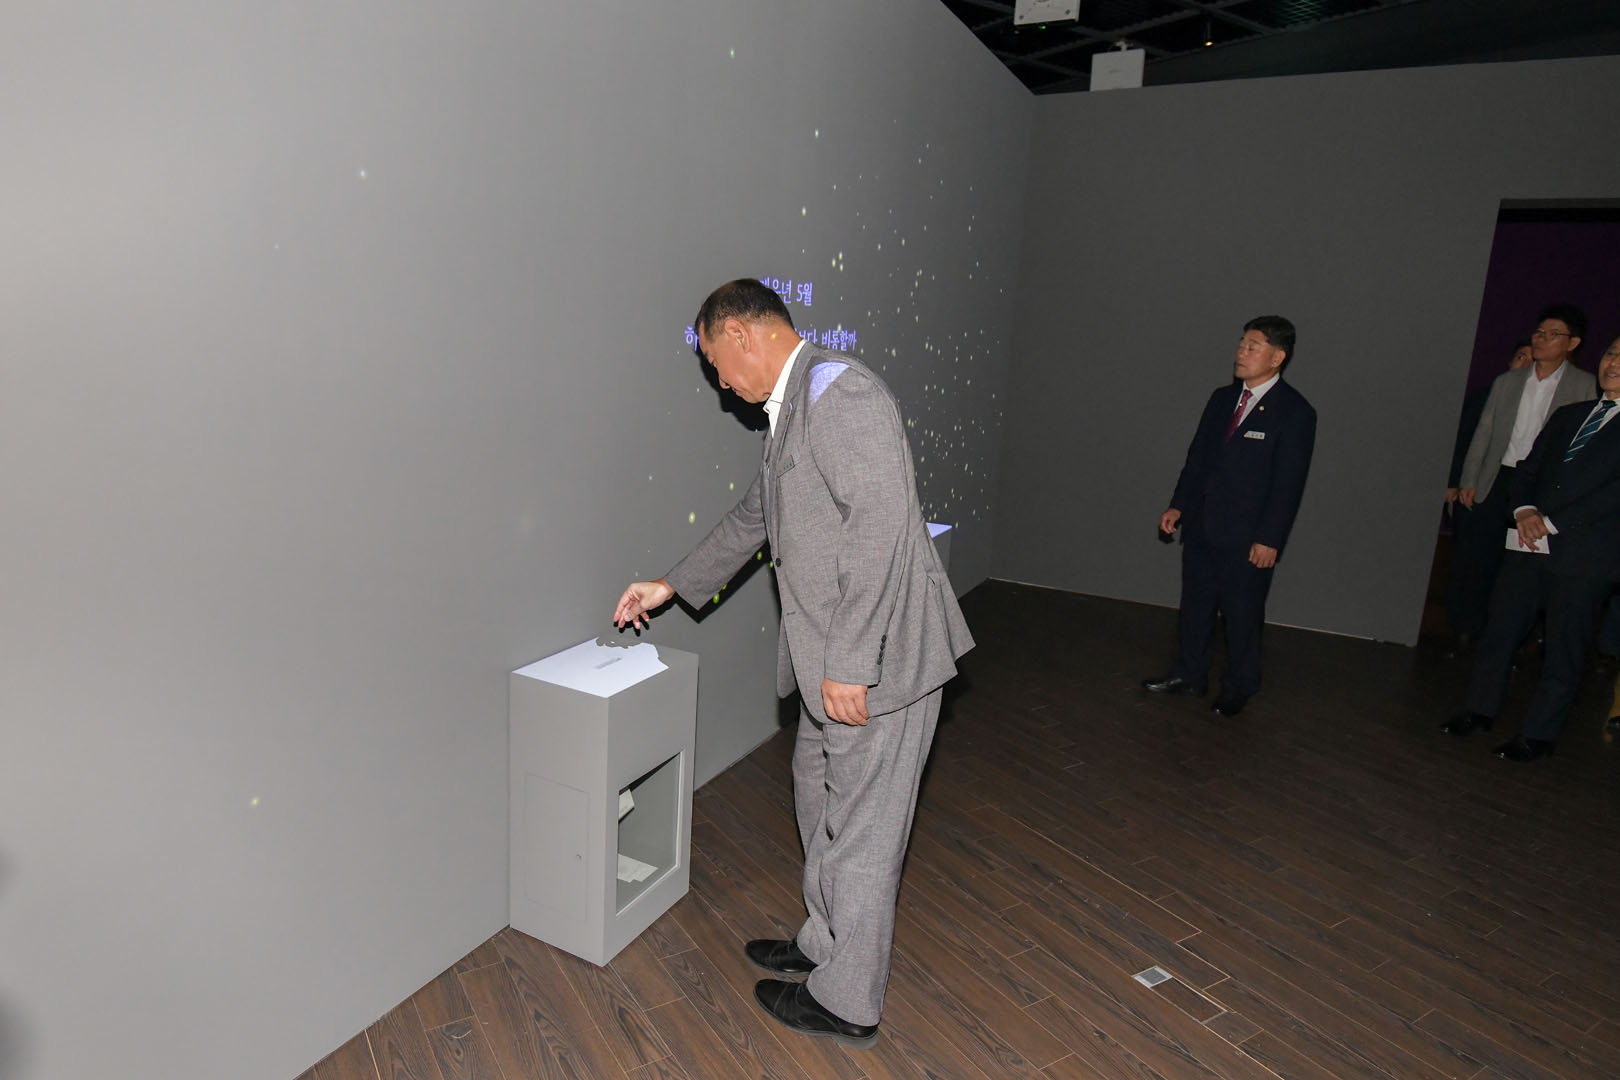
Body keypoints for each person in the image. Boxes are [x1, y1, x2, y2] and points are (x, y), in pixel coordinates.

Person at [612, 279, 972, 1048]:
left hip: (876, 668)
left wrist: (852, 662)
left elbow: (882, 531)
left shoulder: (843, 396)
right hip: (827, 665)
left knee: (864, 833)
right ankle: (824, 942)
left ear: (743, 335)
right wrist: (671, 584)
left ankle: (848, 1001)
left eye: (715, 362)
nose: (720, 384)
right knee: (818, 795)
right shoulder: (796, 403)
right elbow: (757, 515)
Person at [1444, 334, 1620, 761]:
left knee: (1564, 649)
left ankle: (1539, 735)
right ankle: (1479, 710)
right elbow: (1527, 468)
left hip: (1584, 556)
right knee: (1501, 629)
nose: (1613, 362)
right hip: (1528, 542)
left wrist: (1550, 523)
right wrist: (1524, 511)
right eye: (1611, 353)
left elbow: (1612, 495)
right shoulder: (1570, 414)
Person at [1142, 316, 1316, 717]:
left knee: (1242, 615)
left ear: (1277, 357)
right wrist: (1178, 505)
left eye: (1253, 346)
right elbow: (1198, 459)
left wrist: (1270, 539)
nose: (1241, 352)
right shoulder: (1222, 399)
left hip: (1247, 536)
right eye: (1241, 344)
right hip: (1202, 524)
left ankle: (1240, 685)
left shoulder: (1295, 412)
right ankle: (1190, 674)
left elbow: (1288, 485)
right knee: (1195, 606)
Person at [1449, 306, 1596, 649]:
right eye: (1539, 332)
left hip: (1544, 485)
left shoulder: (1585, 385)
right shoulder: (1508, 381)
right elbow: (1484, 433)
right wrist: (1470, 478)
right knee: (1478, 557)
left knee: (1524, 566)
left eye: (1553, 335)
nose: (1542, 340)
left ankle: (1513, 638)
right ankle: (1467, 630)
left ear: (1572, 343)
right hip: (1498, 477)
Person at [1442, 341, 1531, 654]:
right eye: (1520, 356)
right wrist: (1455, 483)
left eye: (1532, 360)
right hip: (1478, 491)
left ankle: (1502, 637)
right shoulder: (1486, 396)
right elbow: (1464, 438)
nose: (1525, 364)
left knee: (1509, 569)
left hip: (1521, 495)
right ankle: (1463, 628)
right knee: (1470, 562)